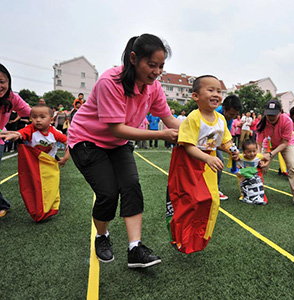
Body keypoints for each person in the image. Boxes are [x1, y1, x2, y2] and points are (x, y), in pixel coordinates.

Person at [67, 34, 180, 268]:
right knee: (108, 193)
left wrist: (201, 135)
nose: (157, 71)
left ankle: (135, 249)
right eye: (152, 65)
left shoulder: (153, 87)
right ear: (133, 59)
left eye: (161, 66)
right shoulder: (111, 81)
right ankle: (102, 236)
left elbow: (169, 119)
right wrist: (161, 135)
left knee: (131, 186)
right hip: (87, 141)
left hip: (118, 144)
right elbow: (117, 129)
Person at [167, 75, 238, 253]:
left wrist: (232, 150)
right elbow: (189, 146)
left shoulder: (221, 119)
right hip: (188, 163)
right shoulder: (193, 118)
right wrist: (208, 158)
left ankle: (199, 238)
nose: (216, 94)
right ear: (196, 96)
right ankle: (180, 237)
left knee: (211, 200)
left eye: (219, 91)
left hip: (208, 163)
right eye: (210, 90)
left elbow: (223, 141)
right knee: (189, 201)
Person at [256, 99, 294, 209]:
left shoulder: (287, 121)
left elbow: (285, 143)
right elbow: (259, 142)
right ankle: (253, 191)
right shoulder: (263, 122)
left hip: (286, 144)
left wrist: (270, 154)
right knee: (260, 166)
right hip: (270, 143)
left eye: (274, 115)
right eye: (269, 115)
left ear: (280, 112)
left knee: (292, 166)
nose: (271, 118)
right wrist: (259, 156)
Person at [0, 64, 31, 217]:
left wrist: (46, 122)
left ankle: (1, 205)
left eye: (1, 81)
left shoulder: (12, 97)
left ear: (8, 82)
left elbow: (30, 113)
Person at [2, 106, 70, 166]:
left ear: (51, 120)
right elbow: (20, 133)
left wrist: (65, 158)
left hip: (49, 165)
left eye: (42, 117)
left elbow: (69, 144)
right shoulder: (30, 129)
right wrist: (13, 135)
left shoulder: (55, 133)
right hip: (32, 166)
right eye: (34, 117)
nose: (38, 120)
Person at [215, 95, 242, 200]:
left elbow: (227, 137)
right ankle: (214, 189)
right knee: (217, 161)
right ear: (224, 108)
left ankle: (215, 188)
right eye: (231, 114)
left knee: (219, 160)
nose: (232, 117)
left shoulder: (228, 118)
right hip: (202, 141)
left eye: (235, 115)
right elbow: (213, 142)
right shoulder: (216, 114)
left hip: (213, 141)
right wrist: (228, 149)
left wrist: (232, 148)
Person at [236, 139, 267, 205]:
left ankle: (261, 197)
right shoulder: (241, 157)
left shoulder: (259, 156)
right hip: (244, 174)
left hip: (255, 173)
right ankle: (243, 195)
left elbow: (266, 159)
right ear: (244, 152)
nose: (252, 153)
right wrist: (237, 164)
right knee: (242, 184)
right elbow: (235, 159)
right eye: (249, 152)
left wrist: (262, 163)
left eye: (254, 151)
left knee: (259, 183)